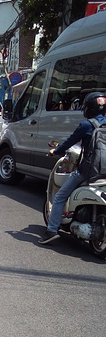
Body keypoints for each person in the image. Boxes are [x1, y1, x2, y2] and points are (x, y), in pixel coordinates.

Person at [39, 91, 106, 244]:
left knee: (60, 196)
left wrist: (55, 151)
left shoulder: (87, 125)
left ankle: (52, 230)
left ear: (88, 108)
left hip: (89, 171)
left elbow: (68, 143)